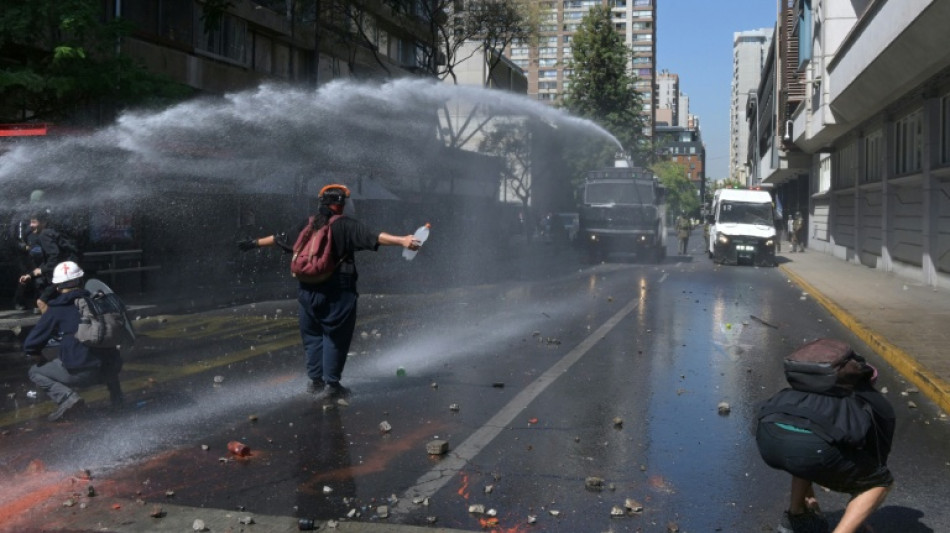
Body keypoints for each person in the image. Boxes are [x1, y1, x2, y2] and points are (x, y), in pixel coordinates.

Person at [237, 184, 420, 402]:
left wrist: (252, 244)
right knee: (334, 337)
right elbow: (375, 236)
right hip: (338, 292)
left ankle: (316, 383)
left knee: (312, 336)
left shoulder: (308, 223)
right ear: (342, 205)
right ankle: (332, 385)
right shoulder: (347, 225)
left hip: (307, 289)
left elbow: (279, 238)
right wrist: (403, 240)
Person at [757, 339, 895, 533]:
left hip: (768, 439)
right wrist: (859, 511)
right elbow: (876, 460)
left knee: (806, 446)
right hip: (811, 449)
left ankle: (795, 517)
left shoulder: (801, 390)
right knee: (880, 482)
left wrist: (811, 499)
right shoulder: (870, 402)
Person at [23, 261, 124, 421]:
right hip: (112, 368)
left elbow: (31, 344)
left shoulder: (57, 309)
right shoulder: (98, 300)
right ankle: (118, 400)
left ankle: (68, 399)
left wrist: (38, 357)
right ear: (82, 281)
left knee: (35, 372)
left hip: (81, 375)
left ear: (57, 287)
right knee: (105, 350)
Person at [17, 210, 80, 313]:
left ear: (43, 222)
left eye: (34, 222)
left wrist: (41, 271)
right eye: (30, 222)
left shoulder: (44, 235)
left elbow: (55, 257)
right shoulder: (51, 232)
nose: (31, 225)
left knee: (42, 302)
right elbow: (51, 259)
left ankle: (49, 325)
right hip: (68, 274)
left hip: (63, 276)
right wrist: (31, 275)